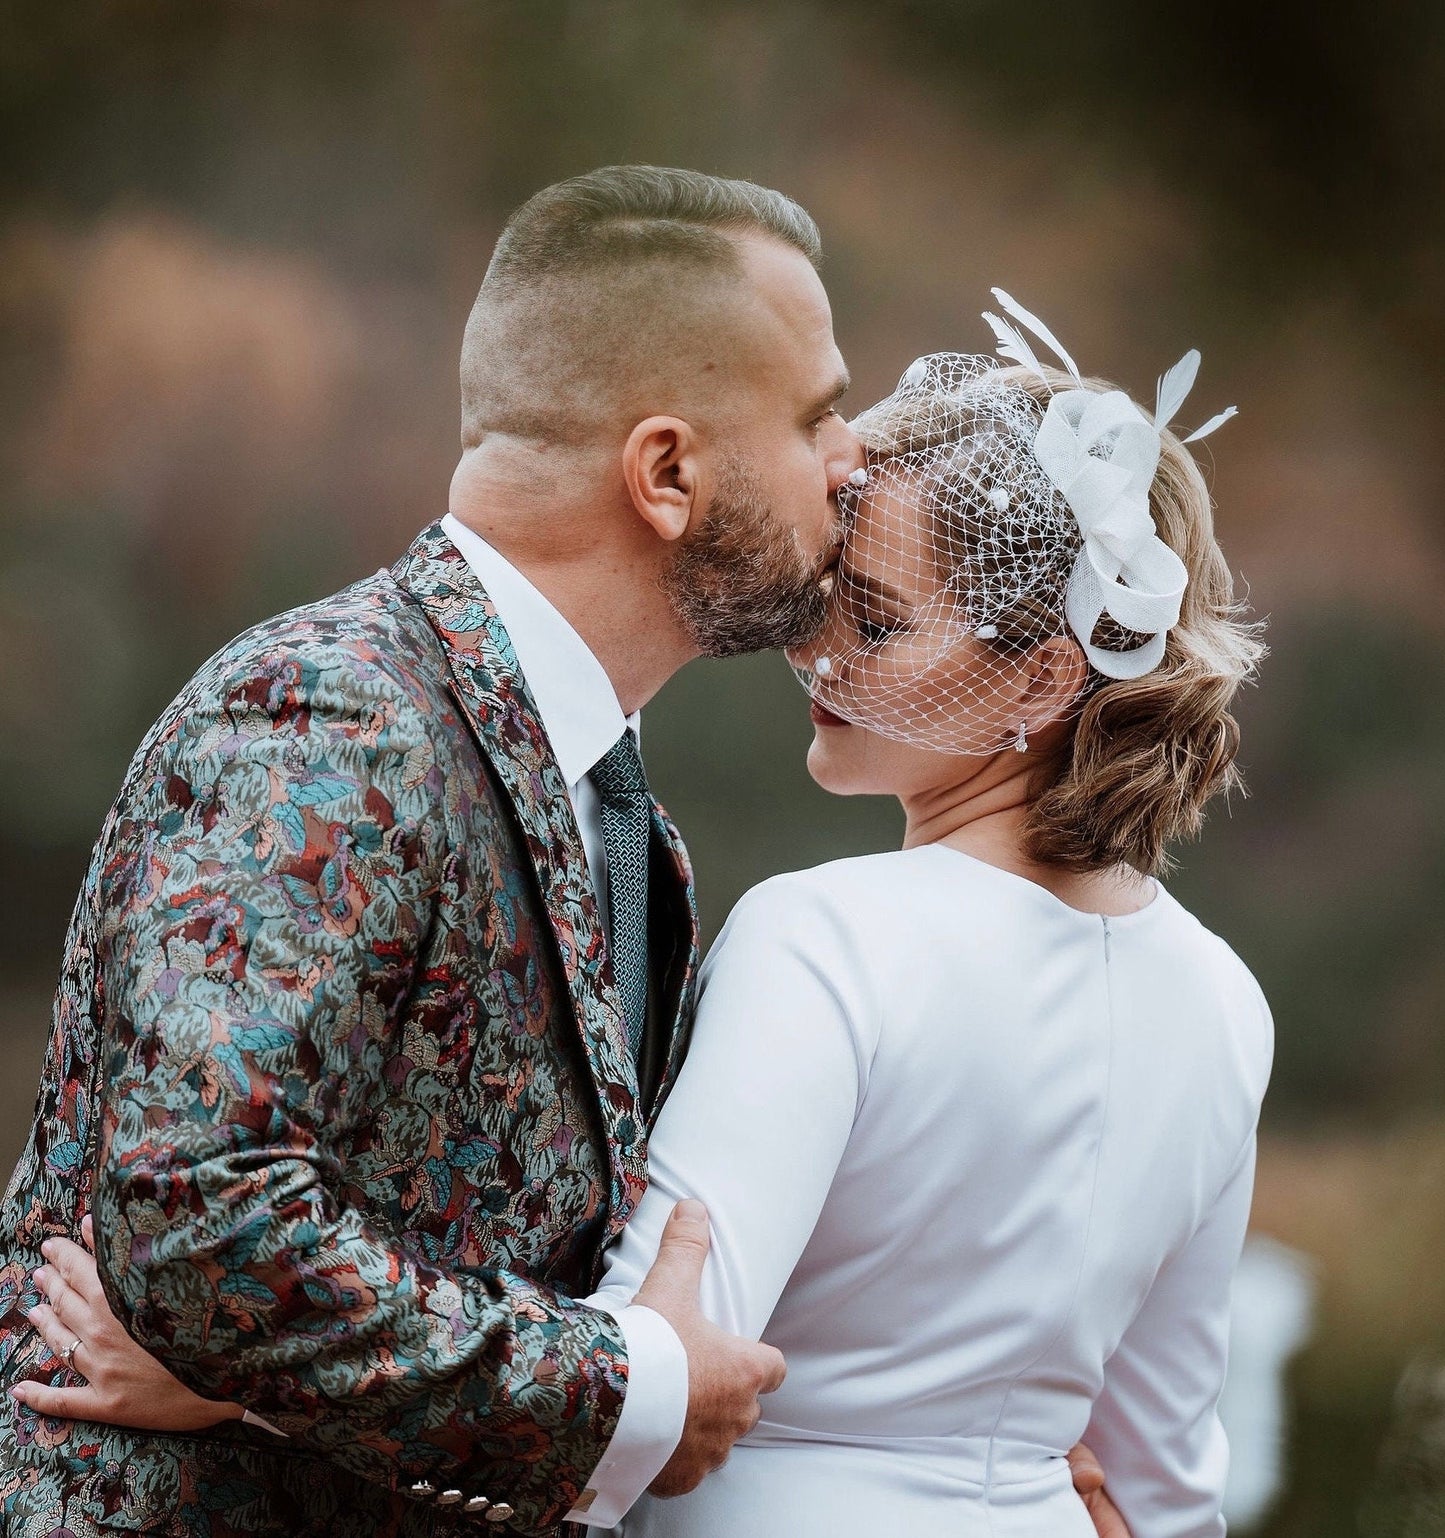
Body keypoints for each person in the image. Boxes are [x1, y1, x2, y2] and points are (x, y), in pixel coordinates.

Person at [0, 172, 1126, 1538]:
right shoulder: (330, 711)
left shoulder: (624, 816)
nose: (853, 459)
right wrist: (627, 1386)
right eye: (818, 413)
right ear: (665, 474)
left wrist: (979, 1468)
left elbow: (526, 1279)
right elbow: (199, 1222)